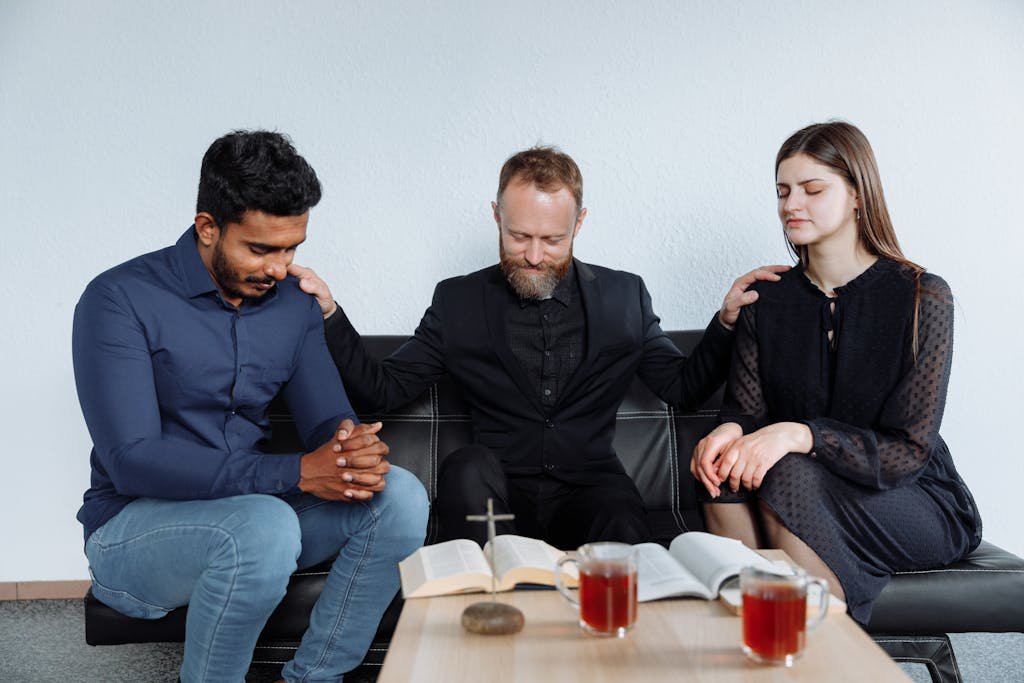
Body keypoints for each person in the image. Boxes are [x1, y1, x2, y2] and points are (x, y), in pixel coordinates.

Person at [289, 146, 784, 549]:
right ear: (495, 217)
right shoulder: (457, 299)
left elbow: (683, 388)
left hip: (590, 489)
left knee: (623, 524)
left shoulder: (623, 296)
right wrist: (331, 314)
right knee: (465, 466)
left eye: (552, 239)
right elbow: (383, 391)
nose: (533, 255)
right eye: (518, 236)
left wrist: (725, 323)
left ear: (580, 223)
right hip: (494, 493)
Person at [73, 130, 428, 682]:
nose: (279, 269)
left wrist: (351, 448)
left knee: (399, 495)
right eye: (260, 249)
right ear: (208, 227)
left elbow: (323, 421)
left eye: (291, 248)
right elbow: (132, 459)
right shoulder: (119, 299)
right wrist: (297, 472)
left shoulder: (292, 304)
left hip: (259, 519)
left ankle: (316, 676)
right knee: (262, 526)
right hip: (132, 532)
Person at [690, 121, 981, 624]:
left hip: (912, 498)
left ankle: (822, 642)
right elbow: (746, 411)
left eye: (812, 189)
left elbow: (908, 450)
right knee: (722, 471)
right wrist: (728, 432)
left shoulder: (921, 296)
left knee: (789, 471)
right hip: (808, 488)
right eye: (782, 191)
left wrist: (801, 434)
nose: (790, 205)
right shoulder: (769, 300)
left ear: (857, 196)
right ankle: (761, 635)